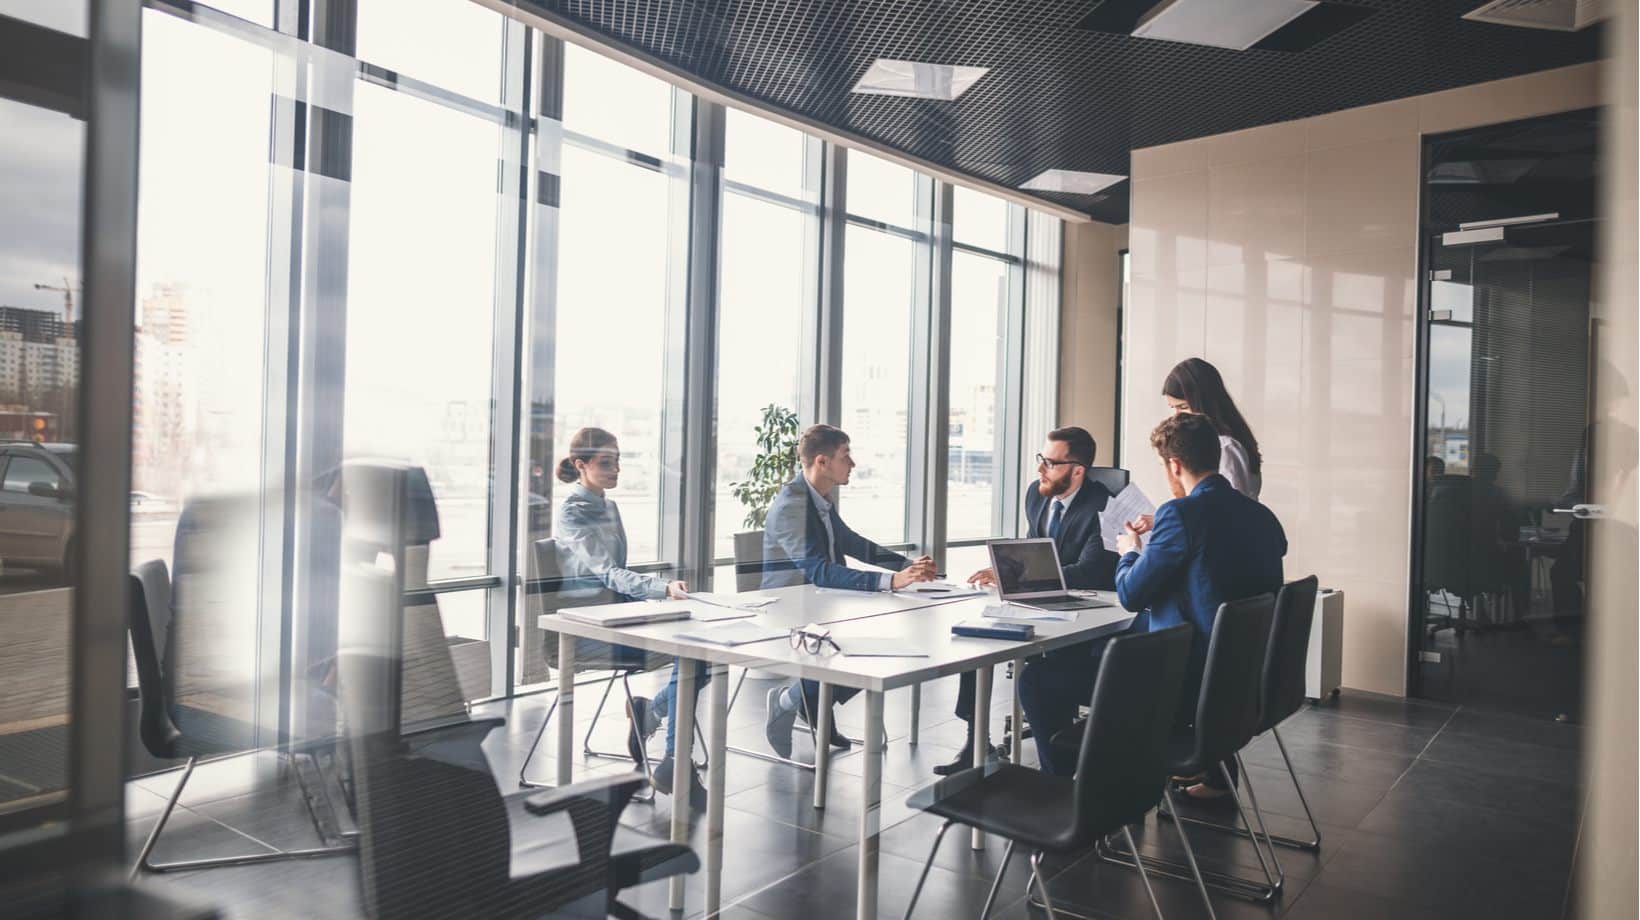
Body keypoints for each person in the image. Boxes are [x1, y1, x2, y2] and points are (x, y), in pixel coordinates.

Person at [1018, 413, 1286, 797]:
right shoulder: (1261, 516)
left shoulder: (1179, 515)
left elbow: (1130, 594)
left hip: (1181, 685)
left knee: (1039, 679)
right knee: (1096, 652)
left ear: (1174, 465)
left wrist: (1129, 553)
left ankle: (1064, 796)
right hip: (1241, 684)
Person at [935, 426, 1120, 776]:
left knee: (1041, 677)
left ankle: (1062, 770)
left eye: (1050, 463)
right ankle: (977, 744)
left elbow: (1091, 570)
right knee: (980, 637)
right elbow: (1034, 550)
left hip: (1087, 610)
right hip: (1038, 600)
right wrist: (1005, 570)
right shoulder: (1037, 495)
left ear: (1077, 470)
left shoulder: (1104, 508)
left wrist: (1022, 577)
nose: (1040, 470)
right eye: (1041, 459)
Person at [761, 424, 936, 758]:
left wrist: (905, 566)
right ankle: (790, 701)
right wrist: (891, 582)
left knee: (876, 646)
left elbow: (851, 542)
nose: (852, 464)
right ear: (823, 462)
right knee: (863, 650)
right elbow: (818, 570)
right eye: (846, 456)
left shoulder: (819, 499)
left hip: (820, 604)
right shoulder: (792, 505)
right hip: (789, 609)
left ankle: (808, 702)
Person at [553, 427, 705, 807]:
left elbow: (617, 577)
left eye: (618, 461)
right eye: (606, 462)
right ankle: (672, 759)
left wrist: (658, 596)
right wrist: (661, 587)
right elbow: (607, 572)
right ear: (580, 465)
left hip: (618, 616)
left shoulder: (609, 505)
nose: (616, 469)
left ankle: (653, 718)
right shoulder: (572, 511)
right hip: (588, 628)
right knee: (692, 655)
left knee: (700, 650)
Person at [1161, 357, 1263, 499]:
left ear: (1204, 403)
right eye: (1173, 408)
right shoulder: (1212, 443)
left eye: (1183, 407)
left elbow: (1231, 512)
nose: (1177, 416)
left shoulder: (1226, 448)